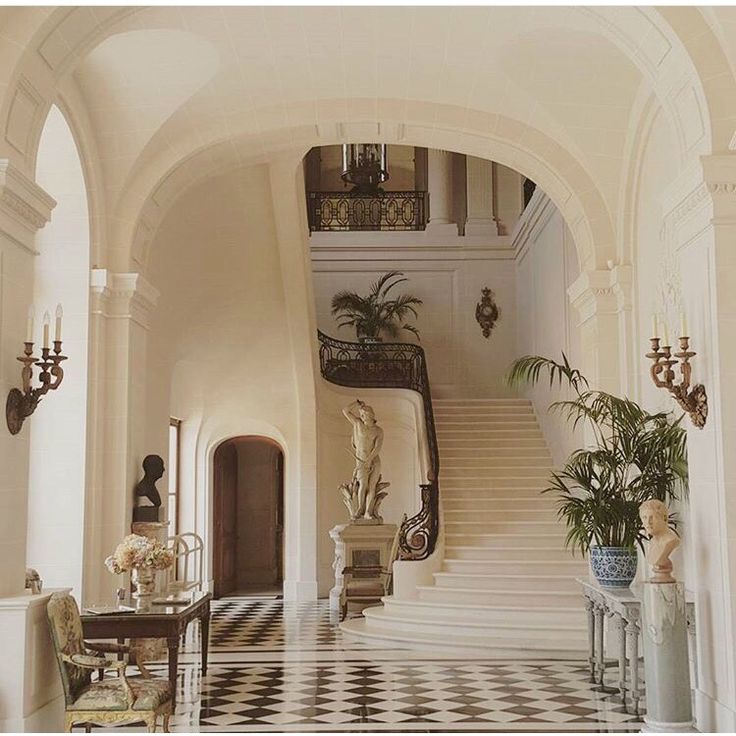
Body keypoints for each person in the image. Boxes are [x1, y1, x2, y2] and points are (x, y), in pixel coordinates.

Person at [342, 399, 384, 519]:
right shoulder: (358, 424)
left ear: (370, 415)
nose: (362, 416)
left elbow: (377, 448)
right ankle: (360, 508)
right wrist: (357, 403)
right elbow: (345, 411)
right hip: (361, 459)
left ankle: (368, 512)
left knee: (371, 486)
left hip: (374, 460)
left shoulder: (378, 431)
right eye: (361, 415)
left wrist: (369, 460)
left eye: (364, 414)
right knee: (363, 484)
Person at [639, 498, 680, 583]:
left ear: (664, 518)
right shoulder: (653, 541)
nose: (648, 522)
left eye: (652, 517)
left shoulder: (671, 541)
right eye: (644, 517)